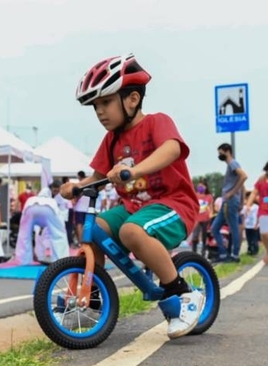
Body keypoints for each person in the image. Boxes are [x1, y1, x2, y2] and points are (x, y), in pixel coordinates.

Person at [61, 54, 203, 339]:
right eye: (95, 107)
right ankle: (94, 300)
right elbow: (97, 175)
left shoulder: (156, 123)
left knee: (131, 231)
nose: (100, 112)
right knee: (95, 229)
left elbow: (172, 149)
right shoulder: (112, 140)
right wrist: (76, 186)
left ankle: (183, 293)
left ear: (132, 99)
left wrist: (134, 170)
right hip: (134, 208)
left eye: (105, 102)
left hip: (174, 205)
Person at [15, 180, 69, 265]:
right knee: (59, 235)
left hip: (30, 206)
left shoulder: (58, 196)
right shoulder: (46, 192)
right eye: (55, 189)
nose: (56, 191)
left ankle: (23, 260)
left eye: (57, 189)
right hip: (47, 208)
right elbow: (61, 215)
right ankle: (61, 259)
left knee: (24, 234)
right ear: (51, 187)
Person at [211, 143, 247, 263]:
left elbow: (244, 176)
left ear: (227, 151)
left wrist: (232, 192)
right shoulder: (231, 165)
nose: (219, 155)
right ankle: (223, 254)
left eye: (220, 152)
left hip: (230, 201)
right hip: (227, 201)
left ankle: (234, 255)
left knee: (233, 228)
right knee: (215, 227)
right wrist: (241, 199)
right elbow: (242, 185)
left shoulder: (232, 163)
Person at [245, 161, 268, 264]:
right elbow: (254, 193)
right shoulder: (261, 180)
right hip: (263, 210)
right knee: (264, 233)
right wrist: (248, 205)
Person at [191, 180, 214, 254]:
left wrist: (211, 214)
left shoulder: (209, 196)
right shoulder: (195, 195)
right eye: (199, 186)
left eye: (202, 186)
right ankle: (194, 252)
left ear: (206, 187)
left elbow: (211, 207)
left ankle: (203, 251)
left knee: (204, 236)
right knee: (195, 236)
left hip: (205, 218)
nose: (200, 188)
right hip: (197, 218)